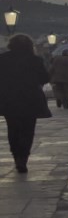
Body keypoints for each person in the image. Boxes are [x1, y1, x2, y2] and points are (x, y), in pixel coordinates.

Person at [0, 34, 52, 173]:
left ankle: (16, 155)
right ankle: (23, 157)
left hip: (8, 99)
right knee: (28, 130)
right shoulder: (35, 60)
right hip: (30, 99)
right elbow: (44, 78)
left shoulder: (3, 59)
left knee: (13, 128)